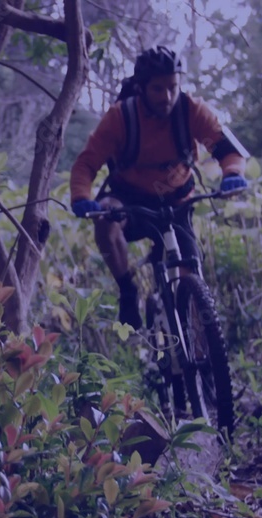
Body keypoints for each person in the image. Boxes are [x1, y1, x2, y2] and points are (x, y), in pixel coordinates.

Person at [70, 46, 248, 330]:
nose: (167, 97)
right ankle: (128, 290)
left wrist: (233, 174)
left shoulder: (191, 110)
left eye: (172, 87)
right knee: (105, 220)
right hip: (129, 199)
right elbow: (86, 163)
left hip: (177, 202)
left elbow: (228, 150)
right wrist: (81, 196)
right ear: (141, 88)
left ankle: (203, 361)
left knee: (192, 278)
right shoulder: (121, 116)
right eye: (157, 89)